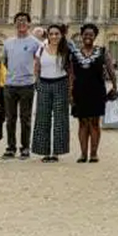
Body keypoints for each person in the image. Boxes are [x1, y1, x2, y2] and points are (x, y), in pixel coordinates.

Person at [70, 23, 117, 163]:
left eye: (91, 34)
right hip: (79, 90)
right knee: (82, 122)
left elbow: (111, 70)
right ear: (81, 35)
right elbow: (71, 74)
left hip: (96, 90)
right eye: (85, 34)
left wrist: (114, 87)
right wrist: (70, 92)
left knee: (95, 122)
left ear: (95, 36)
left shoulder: (102, 51)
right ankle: (83, 154)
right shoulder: (75, 53)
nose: (88, 37)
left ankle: (94, 153)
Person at [2, 12, 43, 159]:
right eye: (18, 21)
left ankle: (25, 148)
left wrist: (33, 76)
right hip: (10, 84)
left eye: (24, 21)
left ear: (29, 24)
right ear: (15, 24)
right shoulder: (8, 42)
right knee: (10, 118)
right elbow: (5, 62)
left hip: (27, 84)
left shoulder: (35, 43)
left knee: (25, 118)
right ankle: (11, 147)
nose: (21, 23)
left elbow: (39, 62)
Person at [32, 24, 72, 162]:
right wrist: (36, 81)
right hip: (44, 83)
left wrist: (71, 88)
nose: (54, 36)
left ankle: (56, 152)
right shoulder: (41, 49)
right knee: (42, 118)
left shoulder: (66, 50)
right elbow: (36, 66)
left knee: (60, 119)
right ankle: (44, 151)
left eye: (57, 34)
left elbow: (71, 70)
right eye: (51, 34)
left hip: (61, 83)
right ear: (48, 35)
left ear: (61, 35)